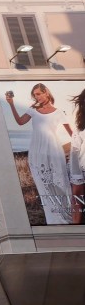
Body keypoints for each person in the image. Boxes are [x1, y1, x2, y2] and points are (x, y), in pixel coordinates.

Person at [6, 84, 73, 224]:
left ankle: (68, 216)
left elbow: (71, 134)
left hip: (54, 150)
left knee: (60, 183)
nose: (37, 97)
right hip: (37, 151)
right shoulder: (33, 110)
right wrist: (11, 104)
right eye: (35, 95)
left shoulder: (58, 112)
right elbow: (19, 122)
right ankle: (53, 220)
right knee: (44, 185)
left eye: (38, 94)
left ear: (46, 93)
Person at [68, 88, 85, 224]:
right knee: (77, 201)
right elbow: (75, 154)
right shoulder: (80, 129)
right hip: (82, 173)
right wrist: (77, 180)